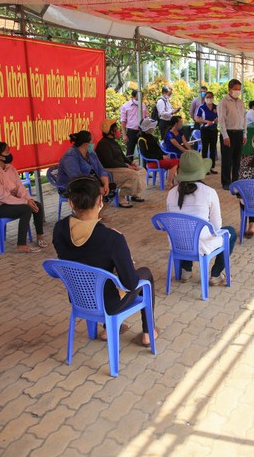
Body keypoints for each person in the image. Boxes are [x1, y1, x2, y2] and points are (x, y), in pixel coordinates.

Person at [52, 177, 158, 346]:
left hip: (78, 297)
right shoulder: (112, 238)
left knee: (99, 273)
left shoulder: (59, 228)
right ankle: (148, 332)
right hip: (108, 304)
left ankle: (110, 328)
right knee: (145, 274)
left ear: (71, 203)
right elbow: (130, 283)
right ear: (100, 200)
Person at [166, 151, 237, 285]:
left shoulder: (171, 193)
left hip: (177, 244)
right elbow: (216, 227)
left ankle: (185, 270)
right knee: (230, 233)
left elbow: (174, 222)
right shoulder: (209, 192)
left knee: (185, 231)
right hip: (200, 245)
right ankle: (216, 274)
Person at [0, 141, 46, 253]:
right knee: (26, 209)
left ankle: (40, 237)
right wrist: (25, 203)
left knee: (37, 205)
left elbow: (19, 187)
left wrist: (28, 199)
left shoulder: (10, 168)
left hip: (10, 202)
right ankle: (21, 244)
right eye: (6, 151)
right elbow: (2, 196)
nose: (9, 153)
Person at [95, 119, 148, 208]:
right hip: (110, 170)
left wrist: (131, 163)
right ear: (111, 132)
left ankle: (134, 193)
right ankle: (122, 198)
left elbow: (123, 156)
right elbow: (110, 162)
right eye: (116, 130)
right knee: (132, 174)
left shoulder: (114, 142)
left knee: (142, 170)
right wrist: (126, 166)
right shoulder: (103, 144)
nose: (118, 131)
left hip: (120, 167)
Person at [57, 130, 112, 204]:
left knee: (110, 188)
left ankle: (97, 214)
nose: (94, 144)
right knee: (91, 192)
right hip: (71, 186)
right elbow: (77, 179)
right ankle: (87, 214)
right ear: (85, 145)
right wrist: (97, 188)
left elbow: (101, 170)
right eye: (92, 142)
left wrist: (105, 184)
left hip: (90, 182)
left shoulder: (91, 153)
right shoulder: (70, 156)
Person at [218, 78, 247, 190]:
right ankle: (226, 182)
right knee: (227, 159)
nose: (238, 91)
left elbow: (244, 119)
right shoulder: (223, 102)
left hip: (239, 133)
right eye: (235, 89)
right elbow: (221, 120)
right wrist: (225, 136)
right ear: (229, 89)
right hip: (229, 133)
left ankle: (236, 180)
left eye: (239, 89)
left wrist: (244, 134)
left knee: (237, 159)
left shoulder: (240, 102)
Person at [137, 118, 179, 185]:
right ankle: (169, 183)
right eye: (151, 127)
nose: (152, 129)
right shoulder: (142, 139)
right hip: (153, 161)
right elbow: (145, 154)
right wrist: (161, 157)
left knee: (177, 161)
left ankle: (178, 181)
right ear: (147, 129)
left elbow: (158, 149)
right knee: (176, 162)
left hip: (159, 159)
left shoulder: (152, 137)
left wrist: (166, 155)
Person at [120, 89, 149, 161]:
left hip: (142, 131)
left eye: (141, 98)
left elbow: (146, 116)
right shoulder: (125, 106)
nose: (139, 99)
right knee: (130, 151)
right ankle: (129, 169)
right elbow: (123, 121)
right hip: (131, 131)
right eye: (137, 98)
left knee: (144, 151)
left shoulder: (143, 105)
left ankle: (144, 168)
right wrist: (124, 135)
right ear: (132, 97)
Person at [196, 90, 219, 174]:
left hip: (213, 130)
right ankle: (204, 167)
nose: (209, 99)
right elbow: (197, 118)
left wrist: (217, 120)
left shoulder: (216, 107)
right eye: (207, 97)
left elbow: (220, 117)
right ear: (205, 98)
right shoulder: (202, 107)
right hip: (205, 129)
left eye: (210, 97)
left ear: (213, 98)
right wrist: (205, 121)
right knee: (205, 148)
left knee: (213, 148)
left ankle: (212, 167)